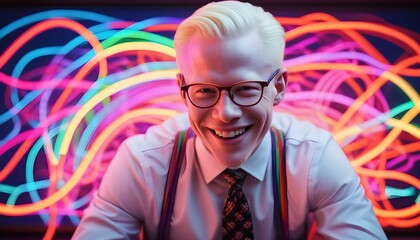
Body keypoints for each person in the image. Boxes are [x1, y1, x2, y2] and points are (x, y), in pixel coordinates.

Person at [72, 1, 387, 239]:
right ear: (182, 90)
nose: (225, 113)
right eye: (205, 90)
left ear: (278, 88)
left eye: (246, 89)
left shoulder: (313, 156)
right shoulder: (142, 163)